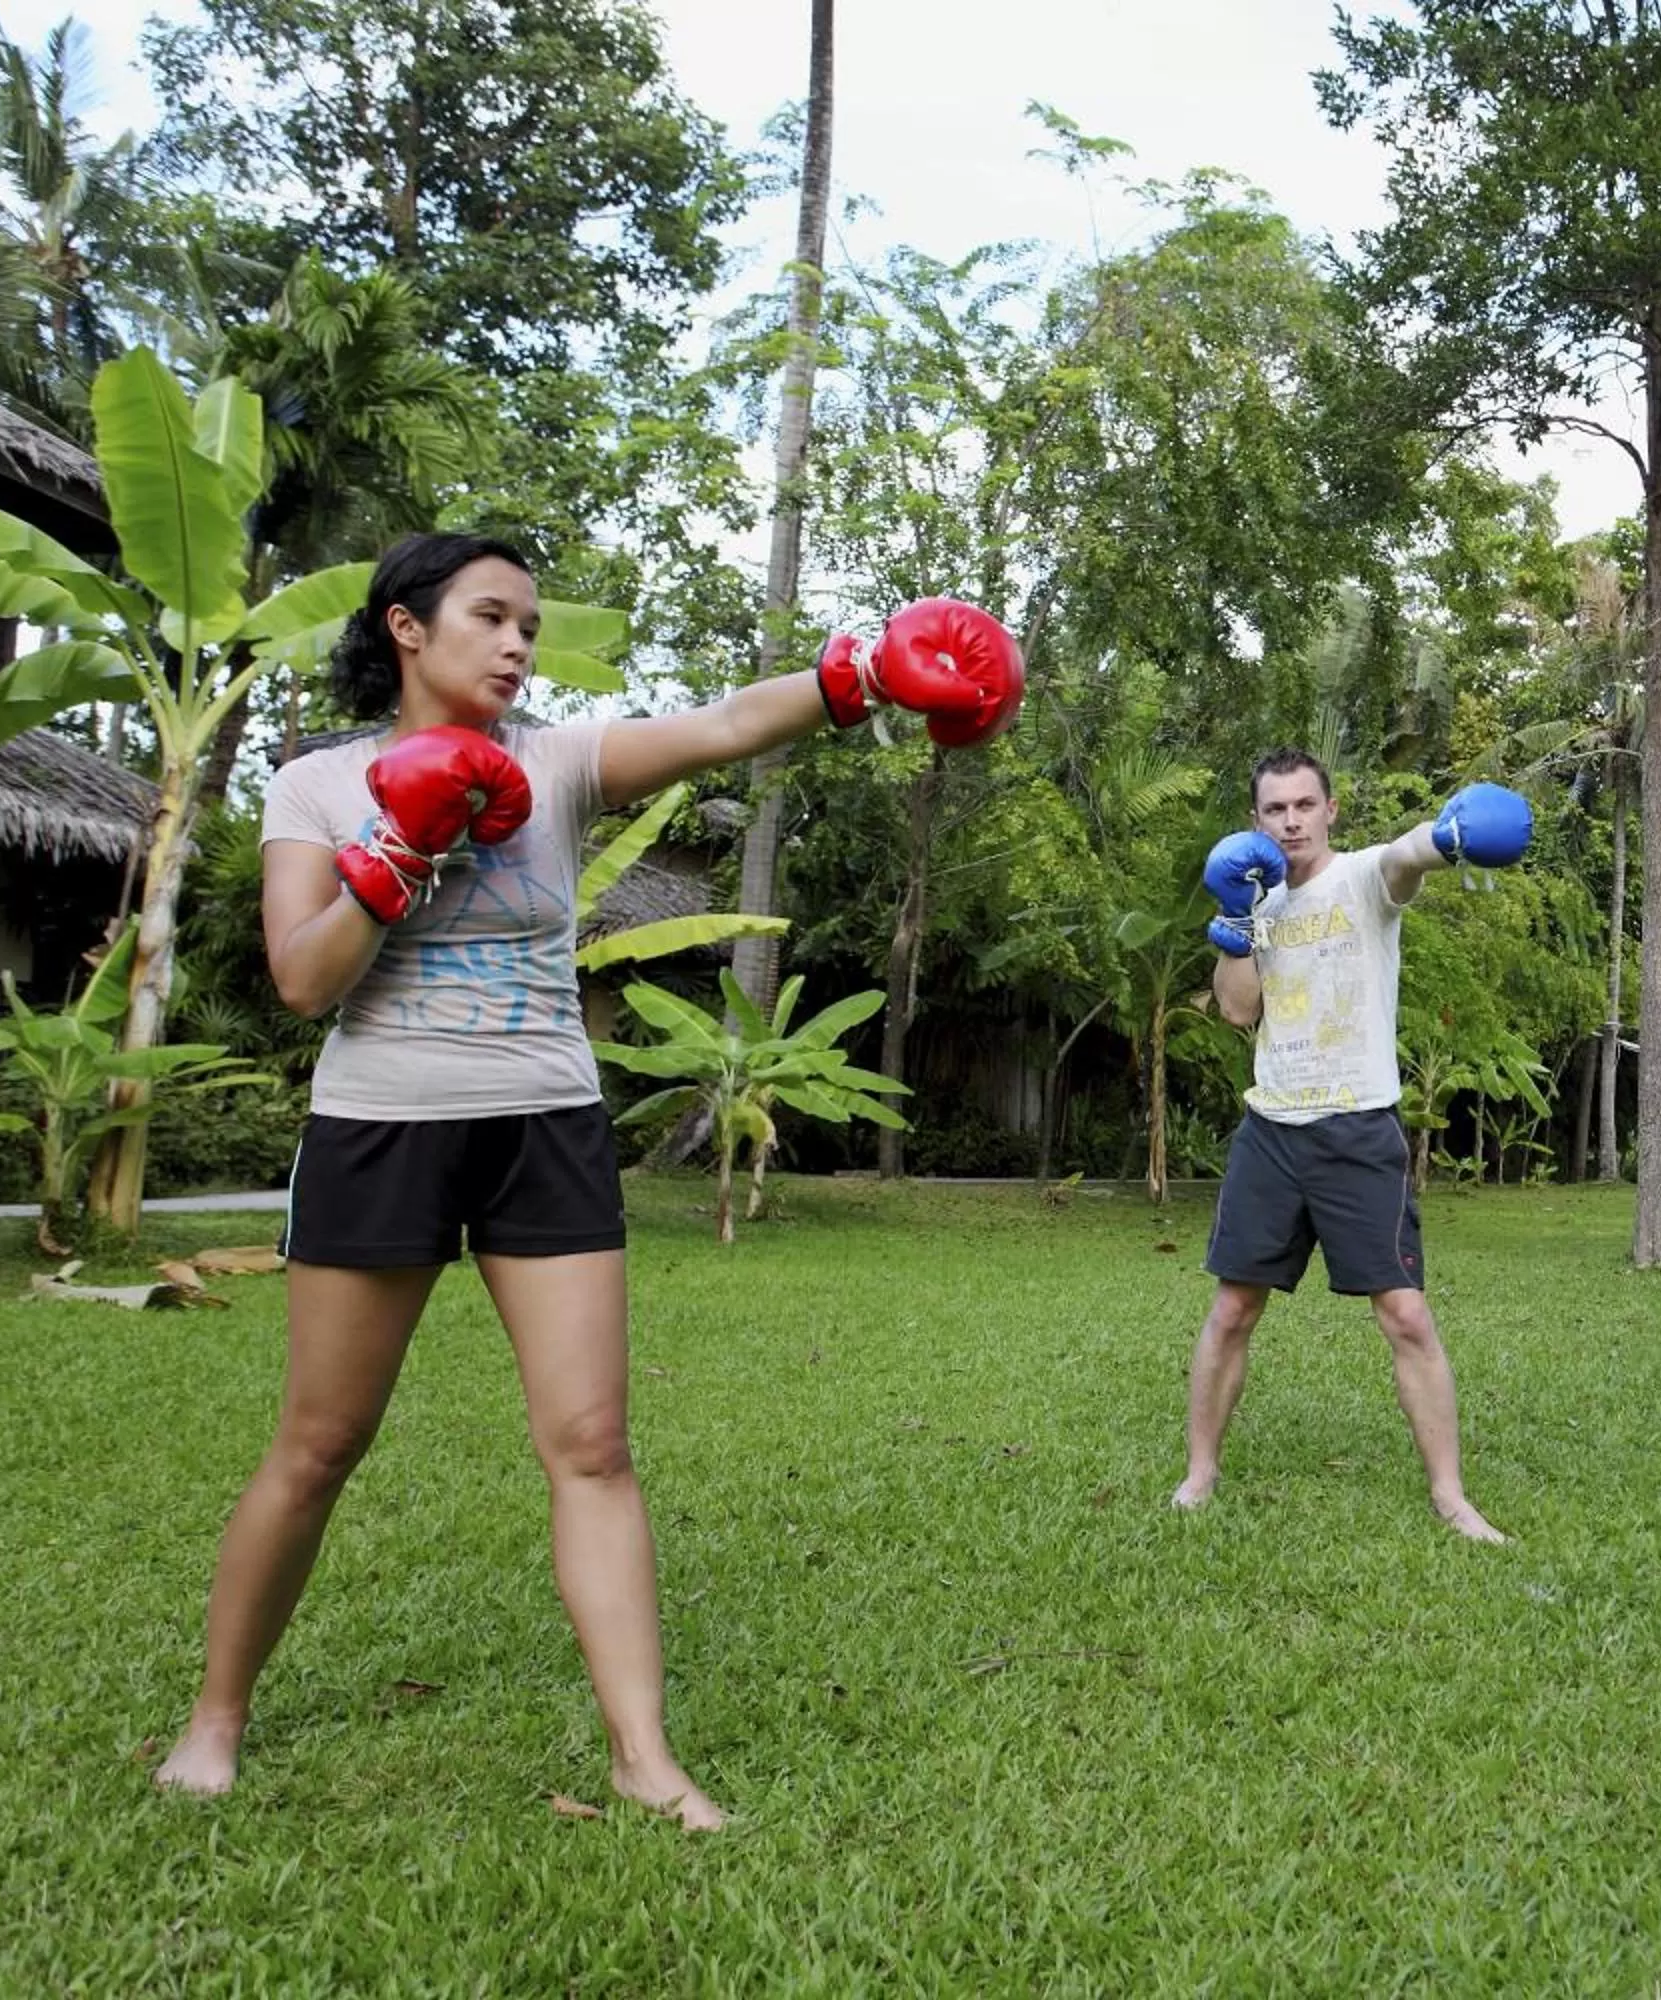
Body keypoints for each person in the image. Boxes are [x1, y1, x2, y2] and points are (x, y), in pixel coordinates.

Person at [151, 531, 1020, 1826]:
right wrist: (398, 848)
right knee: (320, 1444)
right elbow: (302, 979)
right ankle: (216, 1716)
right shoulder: (317, 785)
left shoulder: (555, 763)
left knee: (595, 1446)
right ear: (406, 627)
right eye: (490, 617)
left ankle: (642, 1756)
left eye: (529, 625)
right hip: (382, 1125)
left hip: (543, 1124)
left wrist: (862, 676)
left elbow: (724, 725)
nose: (517, 644)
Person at [1172, 750, 1531, 1543]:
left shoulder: (1366, 876)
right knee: (1232, 1309)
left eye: (1305, 805)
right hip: (1273, 1128)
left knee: (1405, 1314)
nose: (1291, 821)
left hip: (1359, 1130)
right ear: (1256, 820)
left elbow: (1406, 858)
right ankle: (1200, 1473)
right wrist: (1236, 928)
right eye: (1275, 809)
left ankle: (1450, 1496)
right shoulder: (1257, 902)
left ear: (1330, 809)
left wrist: (1445, 838)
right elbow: (1236, 1011)